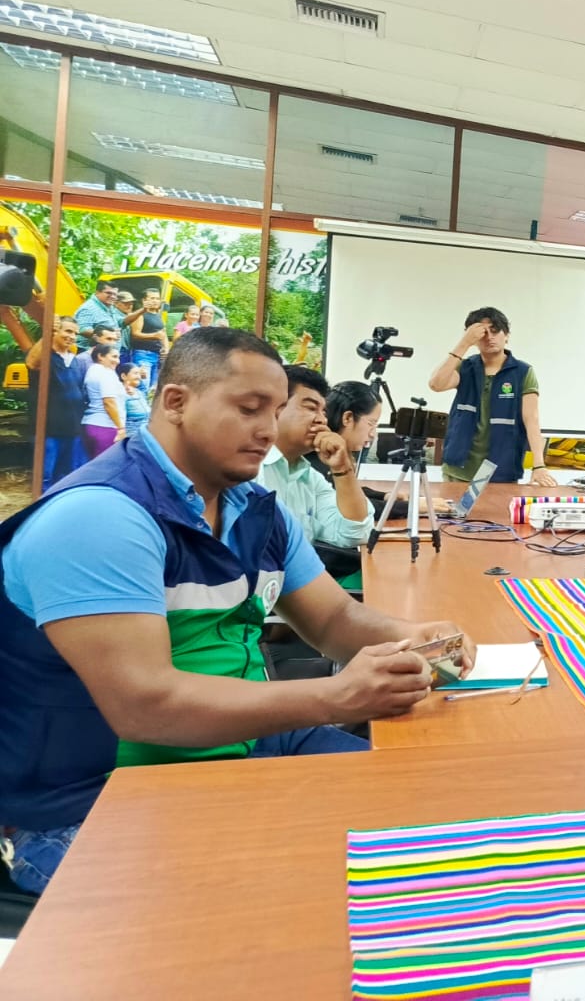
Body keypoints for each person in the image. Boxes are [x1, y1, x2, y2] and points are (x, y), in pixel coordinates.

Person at [0, 327, 474, 895]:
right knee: (292, 905)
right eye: (250, 409)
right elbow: (147, 708)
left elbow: (334, 620)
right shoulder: (100, 519)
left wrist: (413, 634)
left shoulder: (254, 510)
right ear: (176, 402)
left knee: (443, 820)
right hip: (94, 800)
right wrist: (336, 697)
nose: (269, 429)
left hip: (249, 742)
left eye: (275, 410)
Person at [427, 307, 557, 487]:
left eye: (495, 331)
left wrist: (539, 465)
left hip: (500, 469)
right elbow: (436, 384)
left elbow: (531, 420)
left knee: (493, 507)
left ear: (507, 335)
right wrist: (464, 343)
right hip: (459, 467)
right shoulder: (465, 367)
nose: (489, 337)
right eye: (482, 333)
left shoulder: (522, 372)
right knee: (453, 507)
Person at [258, 366, 374, 549]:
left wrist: (343, 469)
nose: (322, 420)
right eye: (311, 408)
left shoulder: (310, 478)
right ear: (275, 408)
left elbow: (356, 533)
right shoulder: (249, 470)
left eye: (324, 412)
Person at [25, 316, 87, 489]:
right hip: (49, 431)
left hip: (72, 429)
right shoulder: (44, 356)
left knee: (66, 476)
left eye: (75, 333)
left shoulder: (74, 360)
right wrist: (48, 333)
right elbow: (31, 363)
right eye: (68, 331)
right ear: (55, 331)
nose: (72, 336)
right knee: (44, 476)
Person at [320, 379, 383, 473]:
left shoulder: (346, 453)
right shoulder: (319, 464)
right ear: (347, 418)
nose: (372, 434)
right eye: (371, 423)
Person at [80, 343, 124, 458]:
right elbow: (109, 402)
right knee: (106, 465)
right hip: (106, 426)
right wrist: (121, 428)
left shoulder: (92, 371)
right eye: (114, 357)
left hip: (91, 424)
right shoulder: (106, 373)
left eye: (118, 357)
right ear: (100, 356)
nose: (118, 361)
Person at [129, 288, 169, 394]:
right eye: (152, 298)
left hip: (157, 356)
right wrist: (154, 336)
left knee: (152, 389)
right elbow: (135, 334)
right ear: (144, 300)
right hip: (143, 355)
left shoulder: (158, 315)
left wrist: (166, 348)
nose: (155, 301)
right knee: (142, 386)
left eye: (157, 298)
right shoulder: (140, 315)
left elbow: (163, 334)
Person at [72, 280, 129, 352]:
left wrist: (141, 311)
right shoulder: (88, 308)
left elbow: (121, 322)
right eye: (109, 293)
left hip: (107, 353)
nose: (112, 296)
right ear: (97, 292)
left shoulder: (109, 307)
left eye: (115, 294)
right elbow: (83, 330)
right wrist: (109, 334)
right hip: (91, 353)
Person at [118, 362, 151, 437]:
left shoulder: (139, 392)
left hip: (145, 434)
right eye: (135, 373)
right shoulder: (120, 393)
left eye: (139, 374)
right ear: (123, 376)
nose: (139, 376)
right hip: (131, 435)